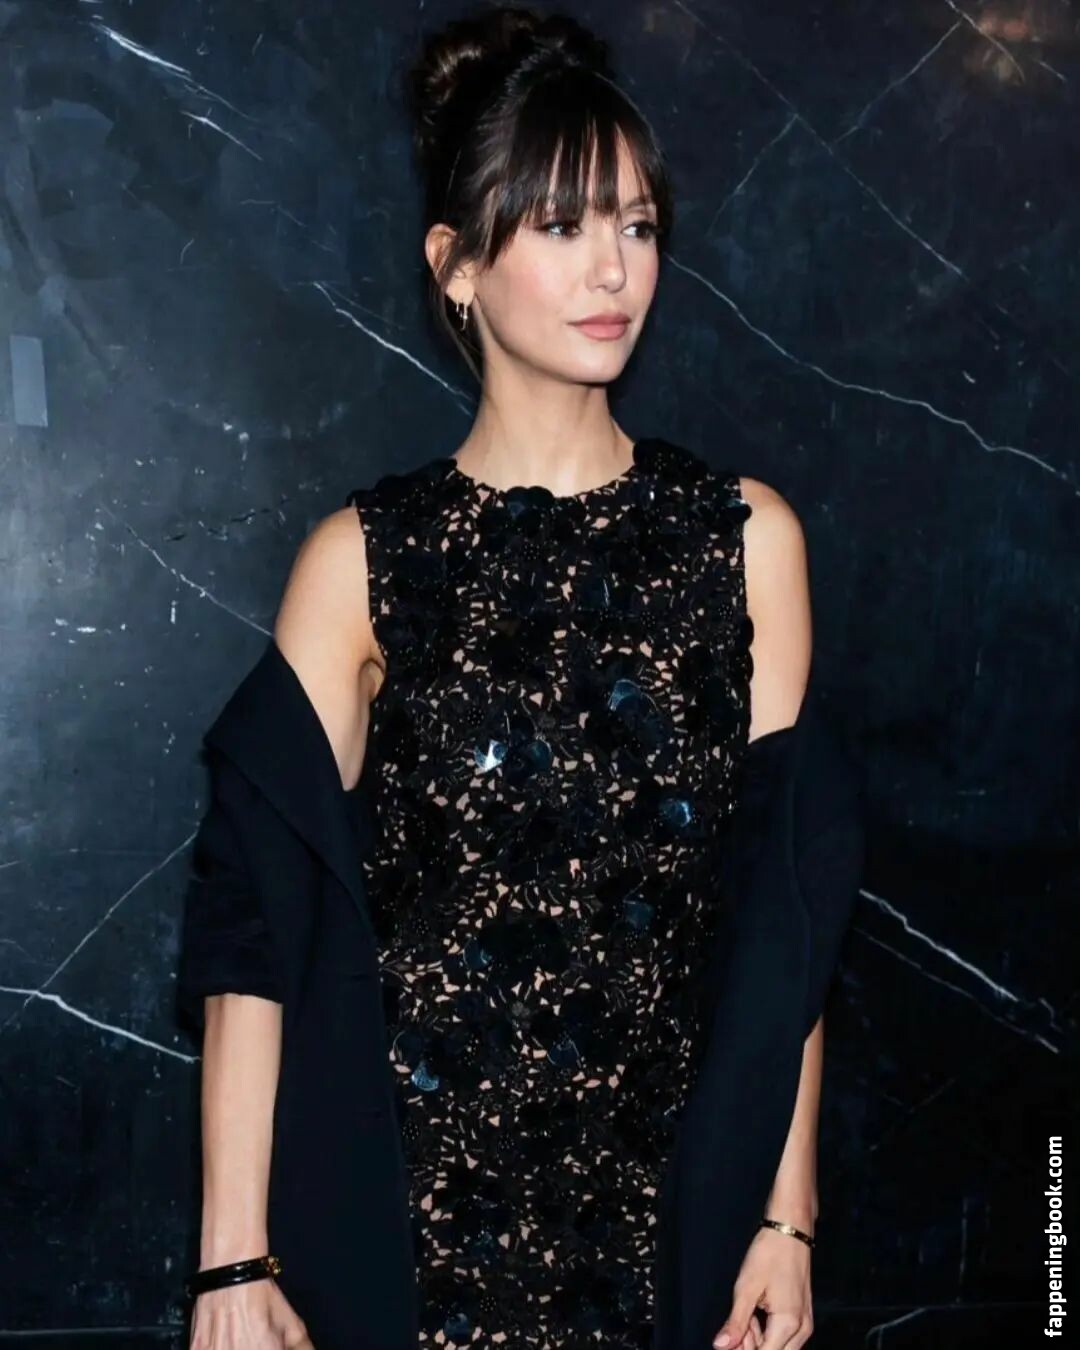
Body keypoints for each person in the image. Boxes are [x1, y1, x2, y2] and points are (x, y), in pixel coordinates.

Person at [183, 7, 860, 1349]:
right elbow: (253, 924)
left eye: (638, 224)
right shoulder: (362, 562)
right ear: (456, 267)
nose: (615, 267)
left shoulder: (747, 544)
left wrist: (788, 1220)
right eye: (560, 224)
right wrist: (230, 1263)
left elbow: (786, 921)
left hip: (673, 1240)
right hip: (404, 1246)